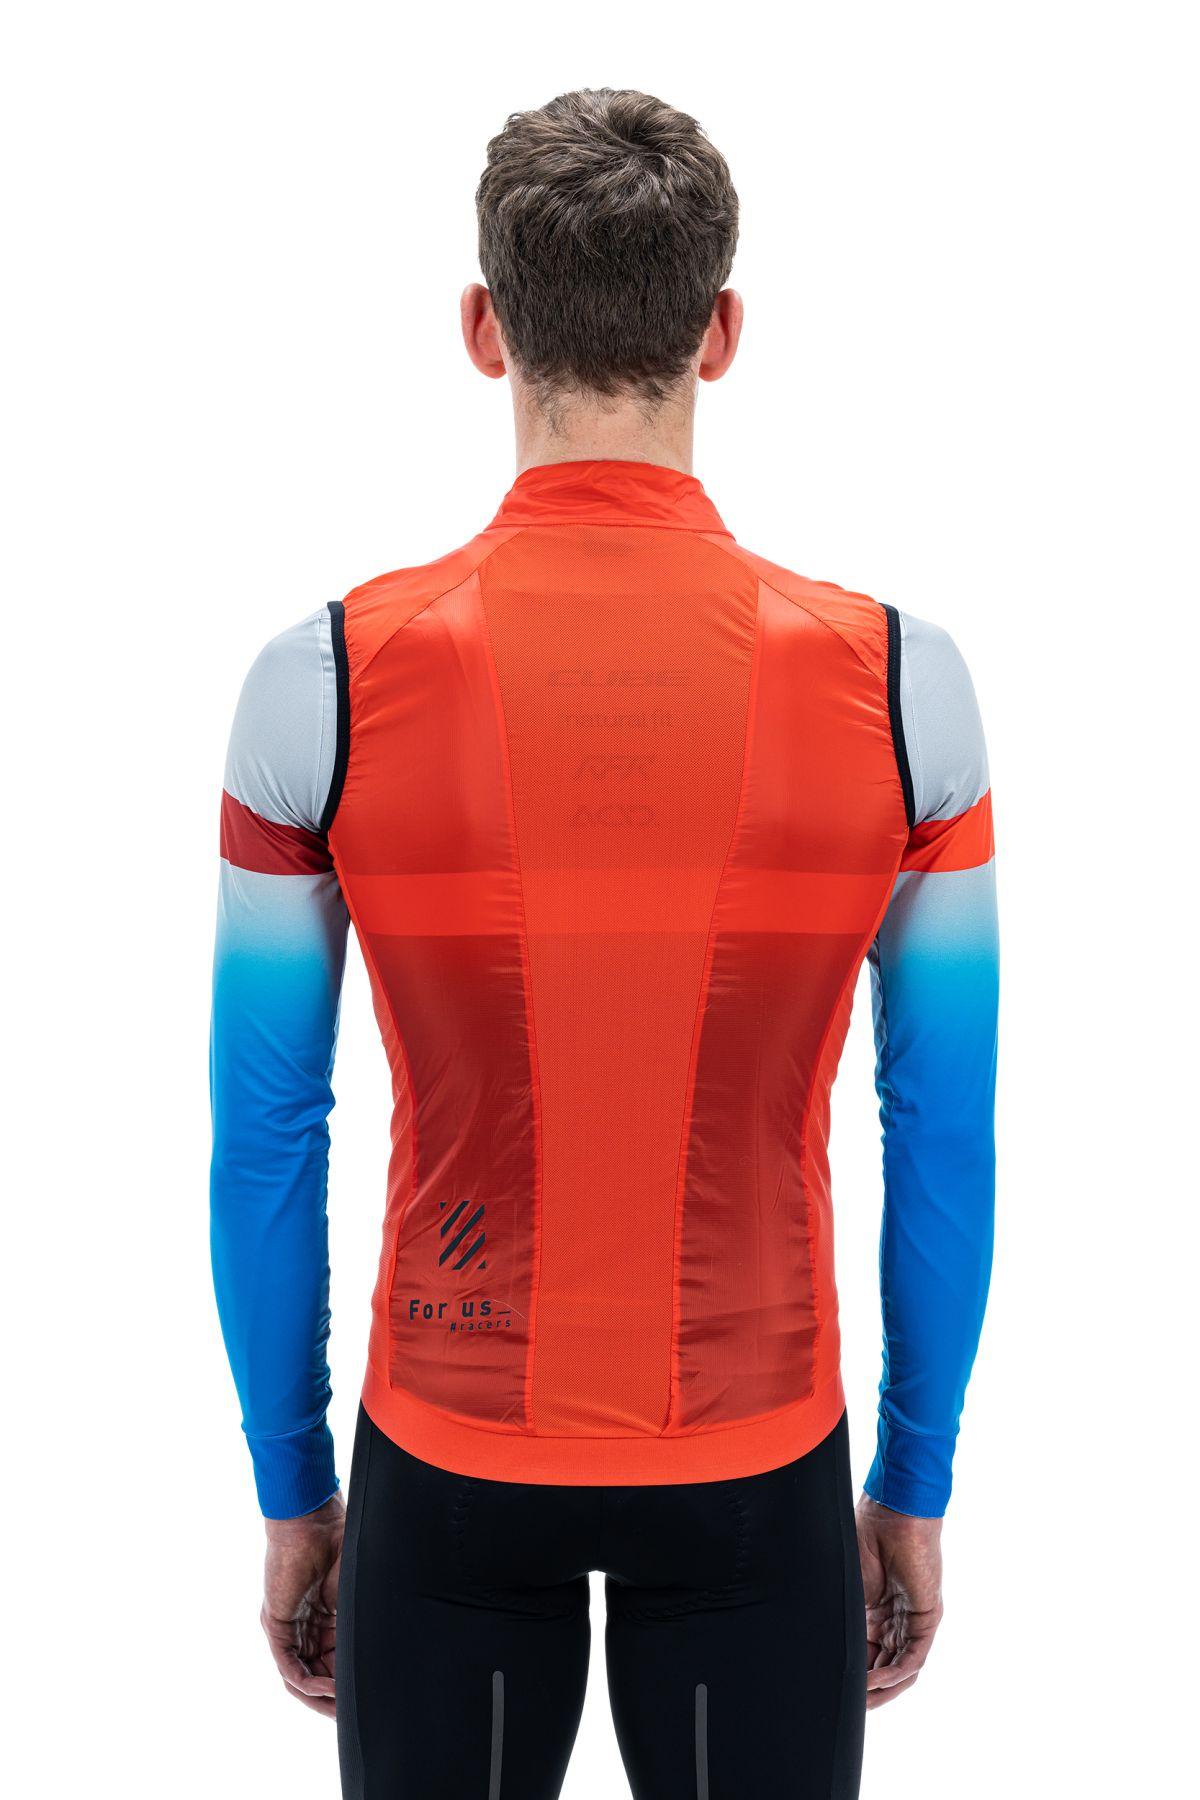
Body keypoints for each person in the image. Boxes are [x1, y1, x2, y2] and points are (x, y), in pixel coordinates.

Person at [210, 87, 998, 1800]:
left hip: (446, 1461)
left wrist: (294, 1491)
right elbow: (942, 1129)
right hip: (758, 1465)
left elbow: (267, 1134)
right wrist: (914, 1483)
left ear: (485, 329)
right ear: (721, 332)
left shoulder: (319, 682)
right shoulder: (903, 688)